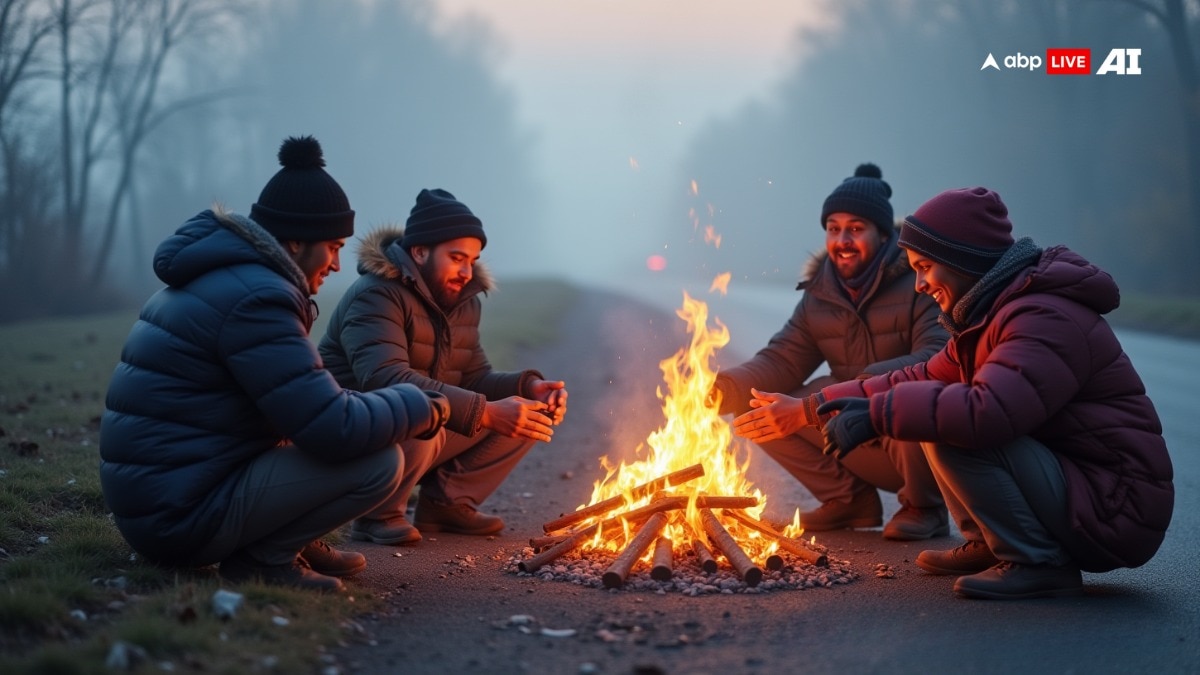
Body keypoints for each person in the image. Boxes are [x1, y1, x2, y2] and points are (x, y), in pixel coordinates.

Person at [99, 136, 450, 592]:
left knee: (361, 430)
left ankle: (291, 540)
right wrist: (418, 403)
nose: (339, 264)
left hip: (169, 497)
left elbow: (297, 405)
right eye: (334, 246)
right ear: (295, 242)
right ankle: (266, 559)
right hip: (180, 518)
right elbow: (330, 427)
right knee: (381, 460)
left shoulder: (231, 278)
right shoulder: (256, 300)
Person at [817, 186, 1174, 599]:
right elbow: (919, 376)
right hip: (1083, 484)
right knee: (931, 404)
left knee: (951, 423)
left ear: (961, 261)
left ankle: (1037, 560)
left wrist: (880, 413)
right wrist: (813, 407)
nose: (918, 285)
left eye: (925, 267)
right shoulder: (991, 316)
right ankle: (992, 543)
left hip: (1116, 505)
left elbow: (989, 412)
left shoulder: (1042, 315)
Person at [713, 163, 949, 540]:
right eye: (833, 229)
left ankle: (925, 507)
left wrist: (855, 390)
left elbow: (934, 362)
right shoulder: (820, 294)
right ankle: (849, 500)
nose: (842, 241)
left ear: (883, 234)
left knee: (907, 394)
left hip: (918, 442)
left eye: (856, 229)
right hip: (853, 427)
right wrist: (725, 388)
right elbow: (784, 358)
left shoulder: (918, 283)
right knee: (757, 407)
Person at [318, 188, 568, 545]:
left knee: (529, 412)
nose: (467, 271)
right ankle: (378, 514)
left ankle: (446, 504)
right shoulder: (376, 294)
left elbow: (474, 377)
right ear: (419, 252)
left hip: (411, 429)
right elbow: (386, 380)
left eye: (472, 259)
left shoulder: (462, 302)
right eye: (456, 257)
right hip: (351, 430)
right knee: (422, 411)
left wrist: (527, 388)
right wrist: (485, 412)